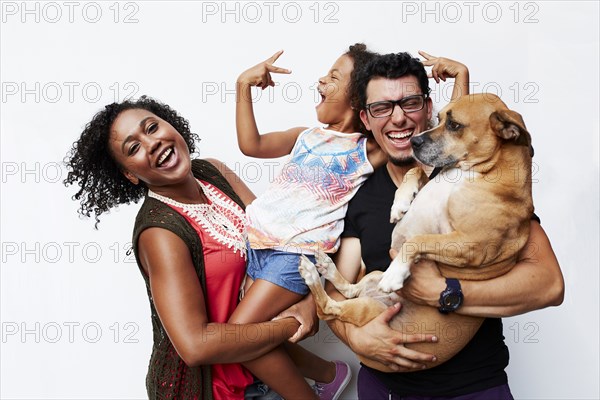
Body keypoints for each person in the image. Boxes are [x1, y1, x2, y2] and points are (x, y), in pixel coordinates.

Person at [326, 52, 565, 399]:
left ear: (427, 107)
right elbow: (338, 288)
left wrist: (446, 291)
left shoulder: (479, 181)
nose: (398, 118)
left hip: (472, 387)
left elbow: (549, 286)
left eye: (409, 102)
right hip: (382, 388)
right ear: (365, 117)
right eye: (381, 108)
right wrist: (355, 337)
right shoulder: (357, 195)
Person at [63, 96, 319, 400]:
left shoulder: (213, 172)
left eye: (152, 127)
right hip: (221, 392)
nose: (152, 143)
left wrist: (311, 302)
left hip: (273, 374)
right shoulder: (160, 233)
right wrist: (294, 324)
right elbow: (195, 345)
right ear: (130, 174)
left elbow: (277, 245)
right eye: (134, 148)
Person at [230, 43, 385, 399]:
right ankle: (330, 374)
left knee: (237, 335)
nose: (321, 79)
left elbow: (416, 138)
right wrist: (242, 86)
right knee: (258, 337)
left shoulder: (366, 149)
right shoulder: (305, 136)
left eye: (333, 77)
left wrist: (459, 81)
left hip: (296, 256)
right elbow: (251, 145)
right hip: (257, 246)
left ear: (359, 100)